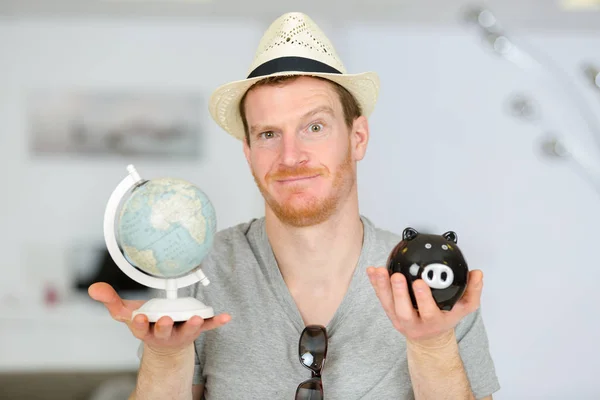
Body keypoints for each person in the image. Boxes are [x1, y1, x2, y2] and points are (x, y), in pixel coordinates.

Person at [89, 11, 500, 400]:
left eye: (314, 127)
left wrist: (432, 347)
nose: (290, 156)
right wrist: (164, 357)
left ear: (358, 138)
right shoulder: (202, 271)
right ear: (248, 152)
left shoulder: (428, 282)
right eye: (268, 134)